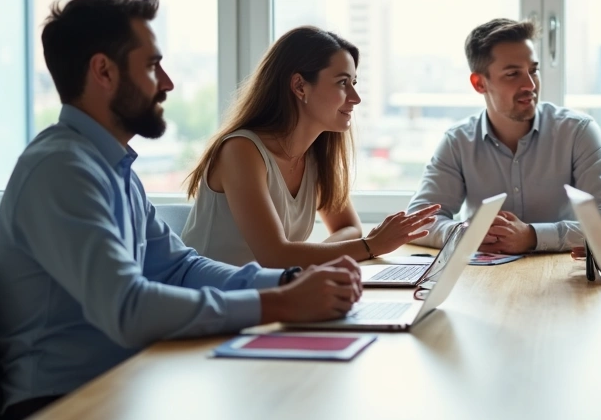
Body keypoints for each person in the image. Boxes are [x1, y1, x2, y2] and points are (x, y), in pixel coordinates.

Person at [0, 0, 362, 420]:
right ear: (103, 72)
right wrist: (280, 303)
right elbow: (128, 309)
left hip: (129, 382)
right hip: (67, 413)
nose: (167, 82)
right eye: (152, 66)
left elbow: (180, 267)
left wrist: (288, 281)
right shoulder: (63, 169)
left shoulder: (112, 169)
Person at [181, 26, 438, 267]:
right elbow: (274, 256)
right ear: (300, 86)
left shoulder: (313, 156)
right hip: (212, 295)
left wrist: (313, 256)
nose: (356, 98)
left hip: (266, 292)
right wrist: (369, 246)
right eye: (342, 83)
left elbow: (349, 228)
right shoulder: (241, 151)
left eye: (354, 83)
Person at [406, 17, 601, 254]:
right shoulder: (457, 142)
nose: (530, 85)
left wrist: (533, 236)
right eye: (513, 74)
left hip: (561, 271)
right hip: (482, 273)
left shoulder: (577, 132)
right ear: (479, 83)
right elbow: (417, 222)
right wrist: (467, 233)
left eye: (533, 71)